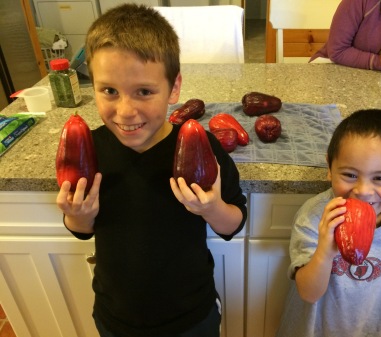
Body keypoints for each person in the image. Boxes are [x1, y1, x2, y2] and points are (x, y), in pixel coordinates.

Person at [55, 4, 247, 337]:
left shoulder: (201, 148)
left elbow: (235, 222)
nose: (125, 111)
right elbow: (82, 231)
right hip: (115, 318)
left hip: (192, 318)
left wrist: (211, 208)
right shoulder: (90, 150)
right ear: (93, 86)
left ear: (174, 88)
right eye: (109, 90)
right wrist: (77, 214)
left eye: (144, 91)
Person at [276, 109, 381, 337]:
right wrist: (325, 252)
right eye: (349, 175)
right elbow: (308, 293)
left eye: (380, 178)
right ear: (329, 168)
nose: (363, 192)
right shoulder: (316, 217)